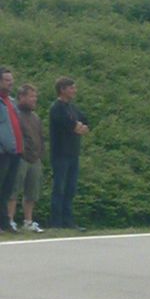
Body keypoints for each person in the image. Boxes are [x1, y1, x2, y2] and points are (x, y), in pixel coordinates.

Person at [48, 76, 89, 231]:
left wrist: (80, 126)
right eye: (71, 87)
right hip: (60, 153)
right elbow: (69, 125)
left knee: (70, 188)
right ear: (62, 89)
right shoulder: (56, 108)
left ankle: (68, 221)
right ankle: (56, 222)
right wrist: (77, 126)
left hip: (73, 153)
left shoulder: (73, 108)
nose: (74, 90)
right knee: (59, 187)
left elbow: (84, 121)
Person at [11, 84, 44, 233]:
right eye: (31, 96)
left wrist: (40, 153)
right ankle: (9, 220)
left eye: (35, 96)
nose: (34, 99)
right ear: (21, 97)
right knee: (13, 189)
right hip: (20, 157)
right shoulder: (15, 114)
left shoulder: (35, 117)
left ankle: (28, 221)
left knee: (32, 192)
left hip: (35, 158)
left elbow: (40, 136)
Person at [0, 66, 23, 233]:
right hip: (3, 152)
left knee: (7, 189)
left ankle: (5, 222)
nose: (11, 83)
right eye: (7, 80)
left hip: (15, 152)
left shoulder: (11, 102)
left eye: (11, 80)